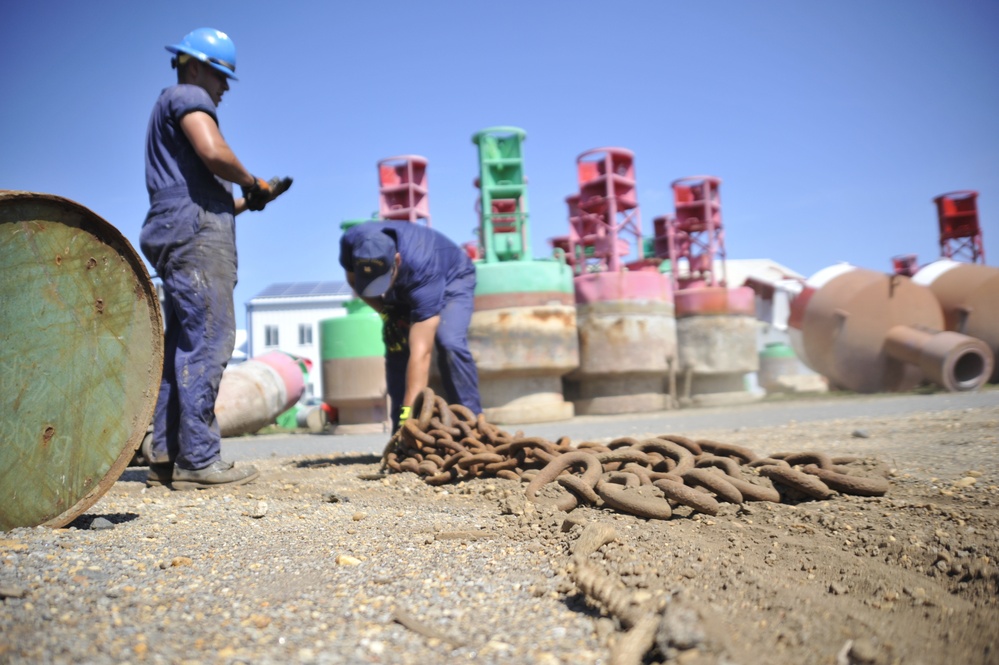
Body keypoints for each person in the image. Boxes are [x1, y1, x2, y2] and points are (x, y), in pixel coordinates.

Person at [139, 27, 289, 490]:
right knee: (210, 339)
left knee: (183, 345)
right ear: (195, 66)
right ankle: (200, 460)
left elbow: (207, 195)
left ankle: (165, 454)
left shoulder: (170, 114)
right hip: (195, 237)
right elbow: (213, 150)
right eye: (221, 76)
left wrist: (254, 199)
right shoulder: (186, 95)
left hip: (181, 230)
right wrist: (250, 181)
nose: (224, 88)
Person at [339, 222, 482, 431]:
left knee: (448, 341)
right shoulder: (352, 242)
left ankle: (471, 423)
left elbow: (421, 353)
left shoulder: (423, 271)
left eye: (381, 281)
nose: (379, 289)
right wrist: (387, 312)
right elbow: (355, 282)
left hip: (453, 277)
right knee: (398, 343)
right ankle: (400, 432)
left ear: (396, 260)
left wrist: (410, 416)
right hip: (404, 280)